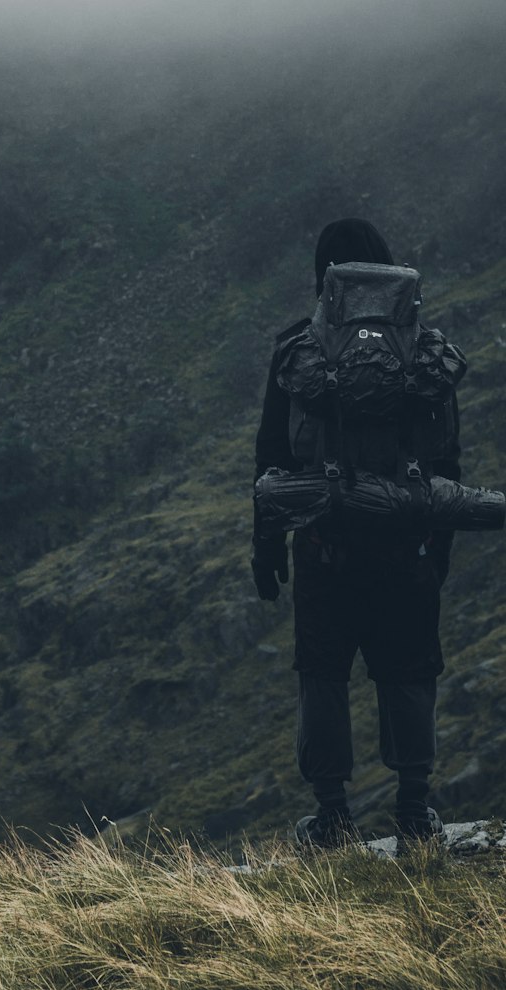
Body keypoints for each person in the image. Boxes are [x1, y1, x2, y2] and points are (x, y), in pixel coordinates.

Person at [252, 219, 459, 848]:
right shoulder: (425, 351)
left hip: (323, 546)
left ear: (324, 276)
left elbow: (270, 457)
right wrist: (437, 550)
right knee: (407, 672)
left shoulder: (298, 348)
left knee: (323, 674)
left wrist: (266, 549)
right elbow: (448, 462)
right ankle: (415, 812)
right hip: (406, 547)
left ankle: (332, 816)